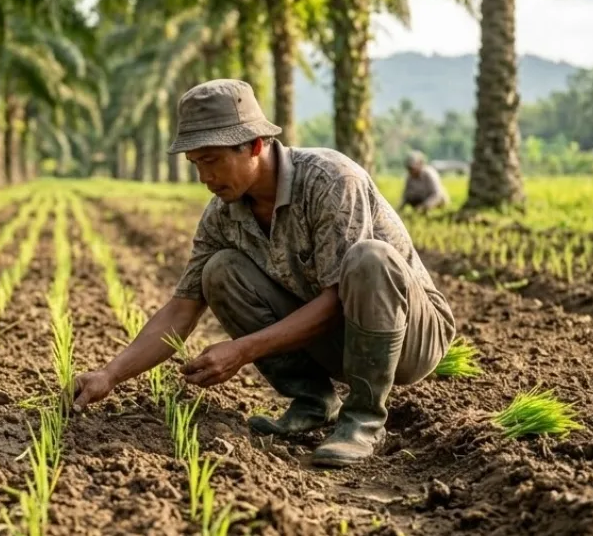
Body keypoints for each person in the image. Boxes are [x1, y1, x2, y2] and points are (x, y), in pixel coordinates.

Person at [71, 79, 456, 467]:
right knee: (218, 271)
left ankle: (364, 420)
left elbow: (337, 298)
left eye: (211, 160)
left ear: (255, 145)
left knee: (370, 259)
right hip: (335, 339)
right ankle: (313, 401)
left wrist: (242, 350)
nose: (204, 177)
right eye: (195, 164)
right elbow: (182, 309)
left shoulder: (332, 180)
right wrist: (110, 375)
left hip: (408, 337)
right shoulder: (223, 215)